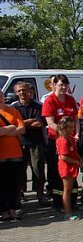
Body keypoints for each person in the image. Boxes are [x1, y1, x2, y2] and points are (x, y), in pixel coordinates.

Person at [41, 74, 79, 210]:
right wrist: (64, 134)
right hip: (56, 141)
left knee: (73, 173)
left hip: (71, 141)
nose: (63, 87)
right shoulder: (49, 100)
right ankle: (58, 203)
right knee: (57, 175)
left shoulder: (70, 99)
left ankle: (72, 202)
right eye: (60, 85)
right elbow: (50, 122)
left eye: (65, 85)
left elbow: (76, 119)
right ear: (54, 85)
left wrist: (77, 133)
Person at [11, 81, 49, 206]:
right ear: (16, 93)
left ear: (29, 91)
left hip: (36, 143)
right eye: (19, 91)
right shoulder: (13, 107)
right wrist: (29, 121)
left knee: (38, 169)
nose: (22, 93)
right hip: (18, 143)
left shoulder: (39, 106)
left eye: (24, 90)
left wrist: (22, 123)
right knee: (19, 171)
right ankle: (19, 196)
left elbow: (39, 124)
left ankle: (40, 194)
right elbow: (14, 125)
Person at [0, 93, 24, 222]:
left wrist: (5, 130)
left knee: (14, 183)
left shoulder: (13, 111)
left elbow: (22, 129)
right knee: (2, 183)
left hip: (15, 153)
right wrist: (12, 127)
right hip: (1, 154)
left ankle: (13, 209)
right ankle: (4, 210)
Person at [55, 117, 80, 221]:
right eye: (69, 127)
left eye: (73, 127)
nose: (72, 129)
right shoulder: (62, 140)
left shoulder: (71, 138)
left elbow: (74, 151)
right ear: (63, 128)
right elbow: (63, 157)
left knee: (70, 189)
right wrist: (76, 162)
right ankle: (67, 213)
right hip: (66, 167)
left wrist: (78, 159)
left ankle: (69, 209)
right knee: (67, 190)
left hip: (72, 165)